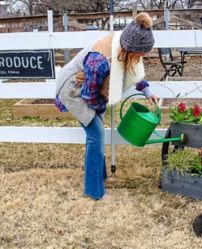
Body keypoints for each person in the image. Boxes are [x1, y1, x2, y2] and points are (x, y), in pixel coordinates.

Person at [55, 12, 157, 200]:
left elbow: (133, 70)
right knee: (96, 135)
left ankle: (98, 178)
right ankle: (94, 191)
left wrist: (146, 90)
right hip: (73, 91)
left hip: (87, 90)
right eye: (142, 52)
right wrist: (99, 108)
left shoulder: (124, 46)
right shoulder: (99, 62)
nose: (143, 56)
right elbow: (88, 94)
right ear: (131, 49)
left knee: (96, 135)